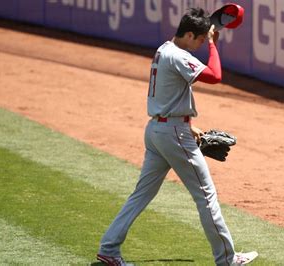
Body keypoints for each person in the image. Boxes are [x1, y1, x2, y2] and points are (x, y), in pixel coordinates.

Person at [96, 7, 258, 266]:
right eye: (202, 39)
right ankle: (227, 259)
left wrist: (187, 123)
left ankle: (109, 248)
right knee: (206, 196)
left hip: (157, 130)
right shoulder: (179, 56)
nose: (203, 43)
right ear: (190, 34)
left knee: (141, 194)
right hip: (172, 134)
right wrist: (215, 46)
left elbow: (170, 91)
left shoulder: (164, 49)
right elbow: (215, 76)